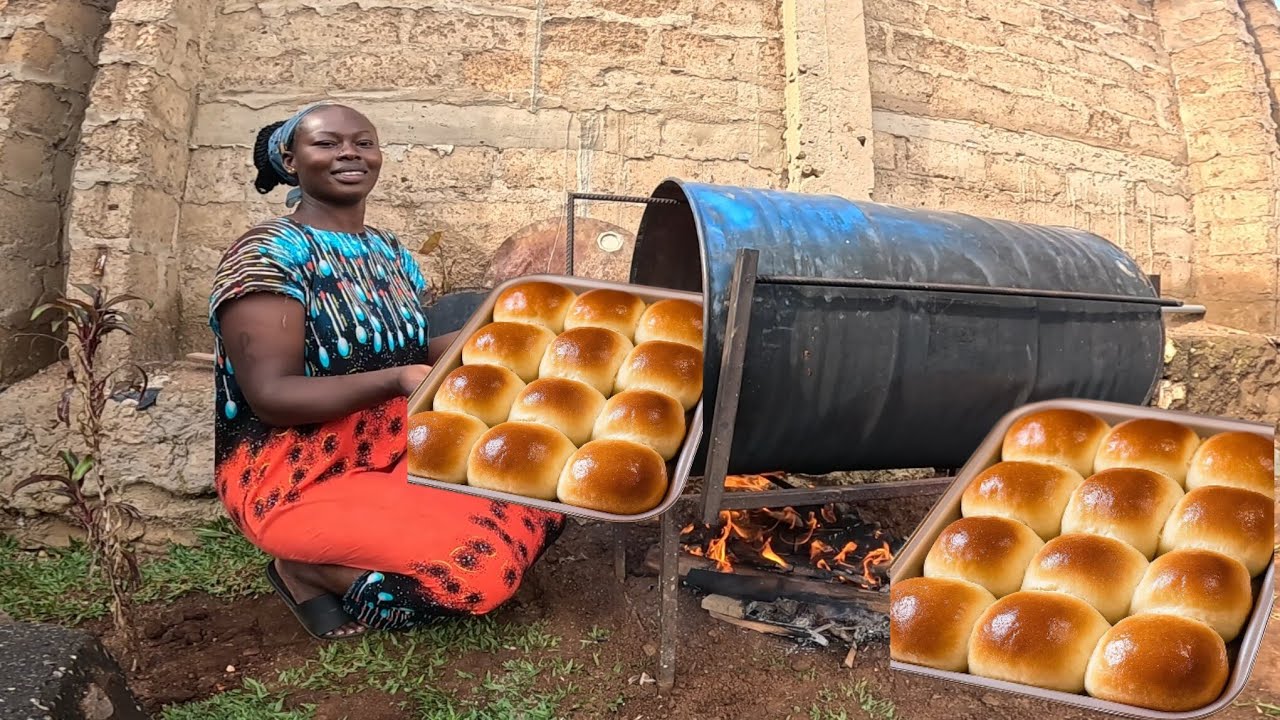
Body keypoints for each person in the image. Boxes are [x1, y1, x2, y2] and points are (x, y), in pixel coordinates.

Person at [208, 102, 566, 639]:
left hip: (398, 452)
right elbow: (272, 395)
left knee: (540, 492)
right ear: (291, 159)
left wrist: (517, 336)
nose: (349, 153)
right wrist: (396, 380)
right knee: (482, 573)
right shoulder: (268, 253)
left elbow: (408, 346)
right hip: (296, 478)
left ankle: (367, 546)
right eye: (327, 143)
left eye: (363, 142)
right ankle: (306, 571)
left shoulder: (386, 251)